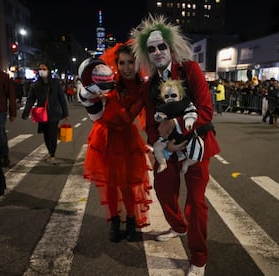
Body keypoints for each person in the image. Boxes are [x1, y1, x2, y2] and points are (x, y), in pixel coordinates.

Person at [132, 15, 220, 276]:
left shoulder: (190, 69)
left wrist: (177, 126)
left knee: (195, 203)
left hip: (197, 144)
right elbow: (149, 123)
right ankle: (178, 226)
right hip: (168, 148)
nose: (157, 52)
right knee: (163, 189)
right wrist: (163, 142)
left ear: (171, 47)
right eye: (151, 49)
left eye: (161, 47)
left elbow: (205, 110)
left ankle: (199, 256)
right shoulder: (150, 86)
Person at [78, 43, 152, 243]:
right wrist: (91, 95)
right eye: (122, 63)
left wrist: (107, 102)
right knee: (110, 184)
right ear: (116, 64)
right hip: (104, 138)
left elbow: (126, 118)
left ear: (138, 64)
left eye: (131, 62)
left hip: (125, 138)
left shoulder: (142, 90)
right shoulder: (109, 82)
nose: (126, 67)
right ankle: (114, 221)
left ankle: (130, 219)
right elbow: (90, 100)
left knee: (127, 184)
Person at [153, 79, 204, 175]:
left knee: (198, 146)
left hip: (185, 135)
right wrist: (160, 117)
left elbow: (192, 112)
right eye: (166, 96)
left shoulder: (186, 104)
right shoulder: (163, 107)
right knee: (157, 147)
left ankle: (187, 163)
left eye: (173, 95)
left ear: (180, 96)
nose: (170, 99)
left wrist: (189, 121)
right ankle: (162, 162)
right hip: (169, 136)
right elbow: (157, 116)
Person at [22, 62, 69, 164]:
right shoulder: (35, 85)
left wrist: (65, 113)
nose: (42, 71)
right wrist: (26, 112)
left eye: (44, 69)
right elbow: (30, 99)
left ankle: (52, 154)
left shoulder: (55, 84)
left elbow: (62, 99)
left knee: (52, 134)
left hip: (54, 114)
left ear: (49, 70)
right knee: (46, 135)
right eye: (40, 69)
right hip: (41, 114)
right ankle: (50, 152)